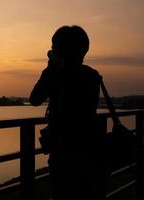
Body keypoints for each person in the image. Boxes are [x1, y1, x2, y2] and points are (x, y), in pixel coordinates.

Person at [29, 26, 105, 200]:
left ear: (59, 50)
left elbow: (34, 99)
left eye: (53, 47)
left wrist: (51, 68)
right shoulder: (92, 75)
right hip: (89, 149)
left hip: (64, 152)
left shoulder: (57, 74)